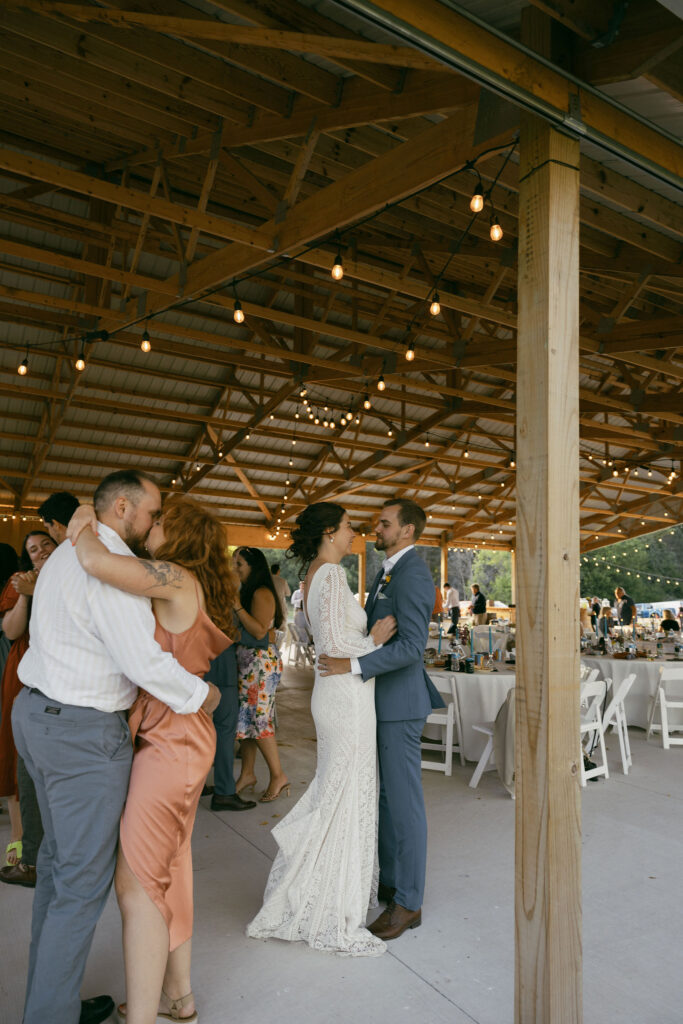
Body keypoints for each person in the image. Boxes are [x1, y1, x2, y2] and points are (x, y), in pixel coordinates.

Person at [12, 470, 220, 1024]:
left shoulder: (71, 554)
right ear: (124, 508)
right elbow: (142, 662)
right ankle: (50, 1015)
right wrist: (207, 695)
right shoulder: (101, 562)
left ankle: (51, 1003)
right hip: (80, 734)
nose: (155, 523)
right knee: (81, 885)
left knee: (59, 871)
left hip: (36, 715)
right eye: (152, 513)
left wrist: (80, 525)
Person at [68, 493, 235, 1024]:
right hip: (178, 735)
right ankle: (178, 995)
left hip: (172, 743)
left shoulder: (174, 577)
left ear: (181, 533)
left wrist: (79, 522)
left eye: (161, 520)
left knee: (135, 883)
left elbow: (94, 561)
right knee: (172, 870)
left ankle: (140, 1018)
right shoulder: (188, 582)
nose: (152, 526)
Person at [246, 502, 396, 955]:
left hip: (341, 694)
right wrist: (375, 641)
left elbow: (322, 642)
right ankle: (325, 899)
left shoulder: (317, 574)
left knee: (342, 789)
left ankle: (330, 888)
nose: (356, 534)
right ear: (330, 531)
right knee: (343, 792)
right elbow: (331, 645)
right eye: (350, 527)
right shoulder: (329, 575)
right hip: (345, 697)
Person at [317, 498, 445, 941]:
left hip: (400, 705)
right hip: (380, 703)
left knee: (404, 805)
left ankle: (408, 903)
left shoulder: (413, 573)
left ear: (407, 531)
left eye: (385, 523)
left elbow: (411, 647)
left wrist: (351, 666)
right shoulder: (386, 570)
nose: (377, 527)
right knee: (387, 800)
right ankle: (391, 885)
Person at [0, 532, 56, 885]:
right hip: (25, 674)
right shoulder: (21, 583)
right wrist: (25, 595)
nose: (40, 553)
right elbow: (10, 631)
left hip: (62, 680)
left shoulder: (73, 573)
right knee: (17, 762)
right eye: (32, 550)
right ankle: (19, 849)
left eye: (45, 545)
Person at [233, 547, 288, 802]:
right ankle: (247, 774)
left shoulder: (261, 592)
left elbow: (258, 633)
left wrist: (236, 609)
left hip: (260, 666)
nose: (235, 568)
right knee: (246, 719)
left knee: (260, 720)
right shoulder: (246, 591)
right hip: (249, 664)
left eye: (240, 563)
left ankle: (278, 775)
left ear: (253, 567)